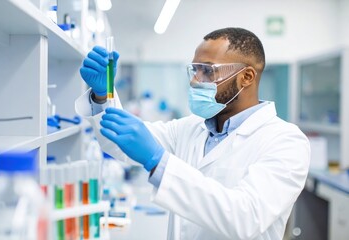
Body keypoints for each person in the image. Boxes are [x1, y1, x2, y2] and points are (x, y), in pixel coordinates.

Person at [75, 27, 310, 240]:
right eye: (194, 70)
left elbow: (246, 217)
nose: (195, 81)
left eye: (207, 71)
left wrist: (159, 161)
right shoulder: (190, 128)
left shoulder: (286, 141)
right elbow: (118, 142)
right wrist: (101, 95)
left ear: (246, 77)